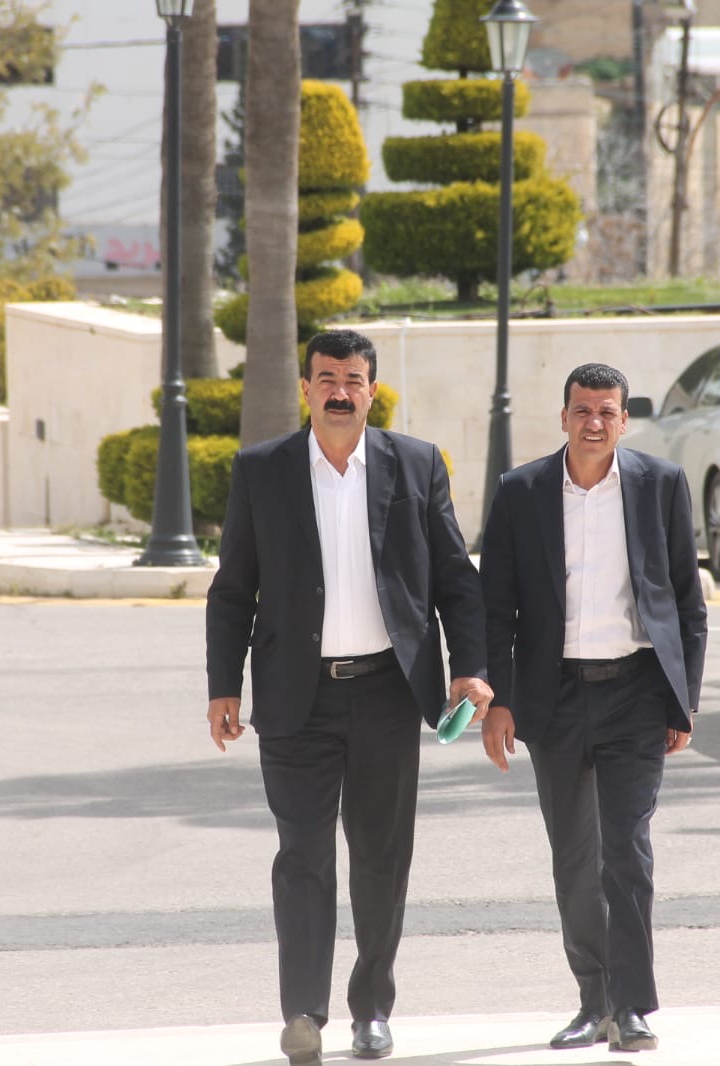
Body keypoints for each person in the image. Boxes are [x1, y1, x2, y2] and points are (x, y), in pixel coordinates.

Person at [206, 328, 493, 1066]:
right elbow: (233, 588)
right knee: (302, 856)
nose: (340, 392)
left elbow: (456, 581)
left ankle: (372, 1011)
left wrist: (471, 668)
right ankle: (304, 1012)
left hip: (388, 695)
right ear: (306, 388)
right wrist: (222, 686)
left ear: (372, 391)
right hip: (294, 700)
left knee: (380, 858)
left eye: (353, 380)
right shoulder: (262, 469)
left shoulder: (417, 464)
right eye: (327, 379)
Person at [477, 362, 707, 1054]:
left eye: (607, 412)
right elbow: (496, 607)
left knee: (626, 852)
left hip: (635, 693)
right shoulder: (521, 491)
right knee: (574, 858)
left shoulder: (660, 484)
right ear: (564, 416)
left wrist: (684, 702)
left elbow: (687, 603)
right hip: (553, 698)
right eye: (583, 410)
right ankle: (592, 1001)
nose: (594, 423)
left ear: (624, 419)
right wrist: (500, 701)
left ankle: (630, 1006)